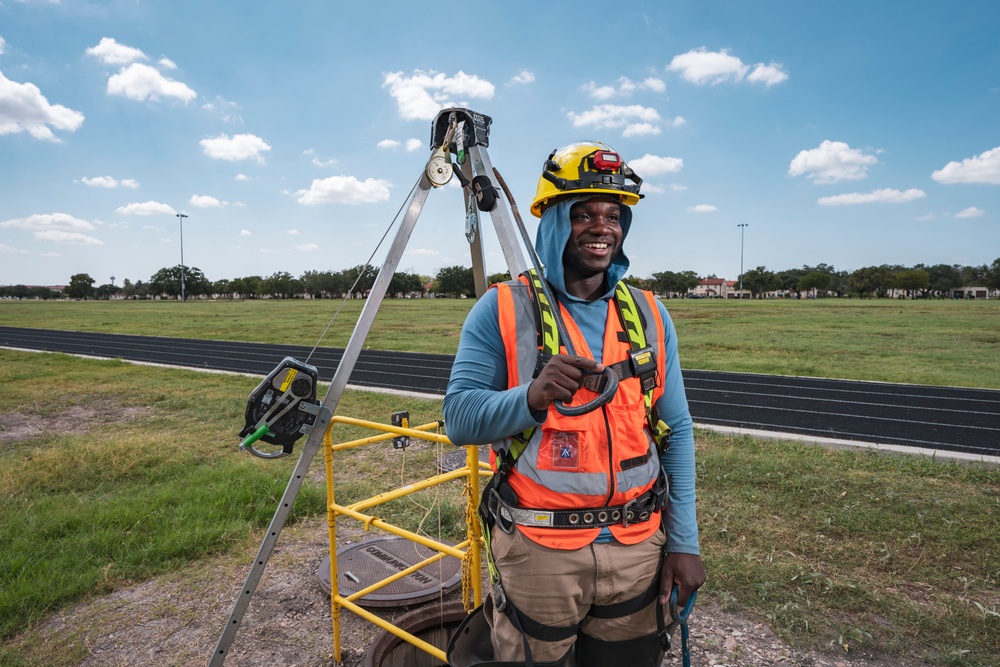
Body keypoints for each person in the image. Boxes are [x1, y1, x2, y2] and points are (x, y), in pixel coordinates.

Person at [444, 142, 705, 666]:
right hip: (540, 552)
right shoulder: (501, 308)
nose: (600, 227)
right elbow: (460, 418)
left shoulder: (650, 314)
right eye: (583, 213)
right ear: (554, 220)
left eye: (613, 215)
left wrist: (686, 542)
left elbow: (675, 428)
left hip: (638, 545)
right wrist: (532, 398)